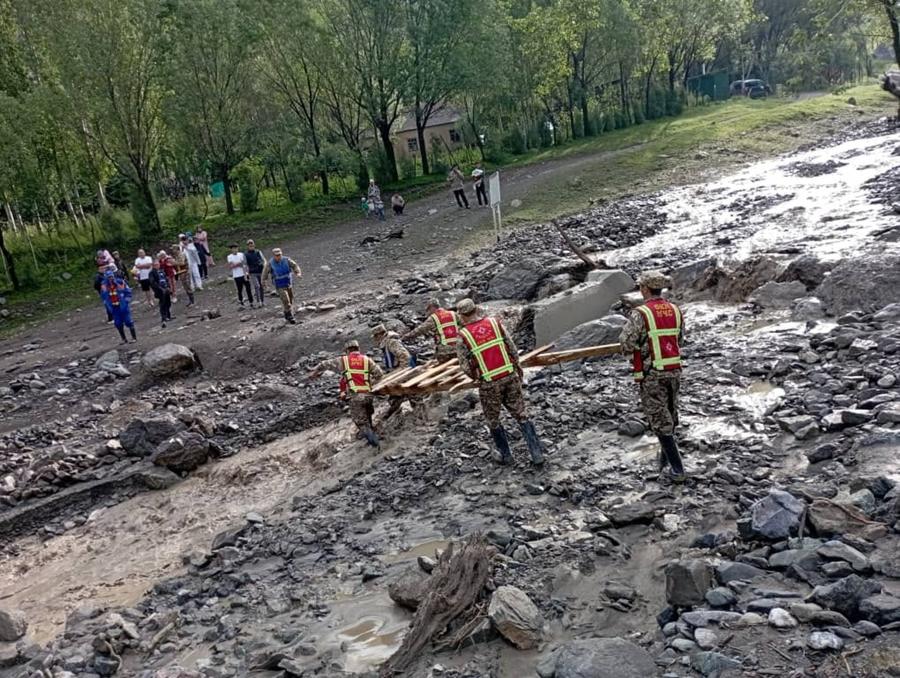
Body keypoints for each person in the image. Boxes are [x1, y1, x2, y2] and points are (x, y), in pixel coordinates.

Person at [456, 298, 544, 466]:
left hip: (489, 383)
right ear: (476, 309)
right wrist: (516, 367)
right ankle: (536, 452)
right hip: (509, 376)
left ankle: (506, 455)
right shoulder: (495, 323)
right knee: (521, 414)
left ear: (462, 315)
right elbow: (511, 347)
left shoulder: (463, 335)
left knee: (493, 419)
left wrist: (476, 377)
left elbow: (464, 366)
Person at [618, 270, 686, 483]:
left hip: (652, 373)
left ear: (645, 288)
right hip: (673, 369)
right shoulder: (675, 310)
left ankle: (677, 469)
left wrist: (640, 349)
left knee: (658, 419)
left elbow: (626, 343)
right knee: (670, 414)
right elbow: (680, 339)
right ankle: (664, 464)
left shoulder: (642, 313)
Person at [308, 339, 384, 447]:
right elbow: (379, 374)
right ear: (358, 349)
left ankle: (375, 445)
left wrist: (314, 372)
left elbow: (325, 364)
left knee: (360, 422)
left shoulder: (344, 360)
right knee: (367, 415)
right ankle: (371, 436)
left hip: (356, 396)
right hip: (368, 395)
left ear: (348, 350)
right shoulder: (367, 360)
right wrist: (369, 383)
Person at [372, 324, 417, 419]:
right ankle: (399, 416)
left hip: (404, 371)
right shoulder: (387, 343)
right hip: (398, 370)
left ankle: (418, 414)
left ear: (380, 335)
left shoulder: (391, 342)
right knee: (398, 396)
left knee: (410, 394)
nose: (375, 340)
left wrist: (404, 372)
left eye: (376, 337)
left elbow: (404, 355)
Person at [402, 299, 460, 363]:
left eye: (428, 310)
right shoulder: (453, 314)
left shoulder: (433, 318)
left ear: (432, 307)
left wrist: (406, 337)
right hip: (458, 347)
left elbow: (420, 330)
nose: (428, 312)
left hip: (444, 350)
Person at [261, 247, 302, 324]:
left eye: (279, 255)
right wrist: (264, 284)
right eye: (276, 255)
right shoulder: (270, 263)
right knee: (286, 300)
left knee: (290, 299)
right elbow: (264, 274)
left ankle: (287, 313)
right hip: (279, 285)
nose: (278, 256)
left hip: (288, 283)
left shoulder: (286, 260)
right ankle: (290, 317)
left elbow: (295, 266)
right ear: (273, 256)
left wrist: (298, 273)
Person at [100, 268, 137, 345]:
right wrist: (107, 305)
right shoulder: (104, 286)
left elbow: (128, 292)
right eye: (109, 277)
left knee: (128, 321)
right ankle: (124, 339)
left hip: (123, 306)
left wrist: (126, 301)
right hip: (114, 308)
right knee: (118, 323)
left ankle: (134, 338)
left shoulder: (120, 282)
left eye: (111, 277)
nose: (111, 278)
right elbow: (104, 296)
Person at [148, 260, 175, 327]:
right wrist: (160, 288)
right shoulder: (151, 273)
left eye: (158, 264)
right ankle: (164, 318)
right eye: (156, 265)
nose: (158, 266)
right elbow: (152, 283)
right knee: (162, 304)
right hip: (160, 291)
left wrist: (168, 287)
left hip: (166, 289)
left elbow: (166, 279)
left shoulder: (161, 271)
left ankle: (168, 316)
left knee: (168, 303)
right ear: (153, 266)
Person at [244, 239, 265, 307]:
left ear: (254, 245)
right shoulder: (246, 254)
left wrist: (264, 265)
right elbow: (245, 264)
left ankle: (262, 301)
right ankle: (258, 301)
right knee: (257, 286)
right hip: (252, 272)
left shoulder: (258, 252)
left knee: (261, 286)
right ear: (247, 246)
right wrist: (246, 272)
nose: (251, 246)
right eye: (249, 245)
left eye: (252, 244)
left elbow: (264, 260)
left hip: (260, 271)